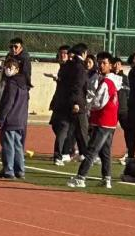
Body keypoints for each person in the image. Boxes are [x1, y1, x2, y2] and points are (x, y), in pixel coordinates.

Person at [67, 52, 118, 189]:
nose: (101, 65)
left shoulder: (107, 82)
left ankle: (81, 177)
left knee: (91, 150)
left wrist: (87, 104)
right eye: (99, 63)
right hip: (109, 122)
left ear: (111, 65)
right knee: (105, 151)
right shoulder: (106, 80)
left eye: (104, 63)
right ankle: (106, 178)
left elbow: (98, 103)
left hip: (103, 121)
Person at [50, 43, 89, 166]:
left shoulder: (67, 66)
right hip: (74, 103)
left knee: (66, 129)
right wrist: (76, 102)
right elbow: (78, 86)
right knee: (81, 129)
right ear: (84, 53)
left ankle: (63, 154)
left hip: (65, 102)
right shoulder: (79, 67)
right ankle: (85, 155)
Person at [0, 56, 29, 180]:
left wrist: (0, 120)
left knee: (8, 145)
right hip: (20, 119)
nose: (7, 69)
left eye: (10, 67)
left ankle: (8, 170)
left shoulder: (12, 83)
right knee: (17, 145)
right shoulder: (24, 84)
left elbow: (7, 103)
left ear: (17, 69)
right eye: (6, 67)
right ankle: (20, 170)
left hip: (10, 119)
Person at [109, 57, 130, 163]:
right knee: (109, 131)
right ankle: (106, 152)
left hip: (123, 109)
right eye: (114, 64)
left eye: (118, 64)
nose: (116, 66)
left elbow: (128, 93)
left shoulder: (125, 78)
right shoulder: (109, 76)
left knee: (127, 130)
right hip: (111, 109)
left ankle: (128, 152)